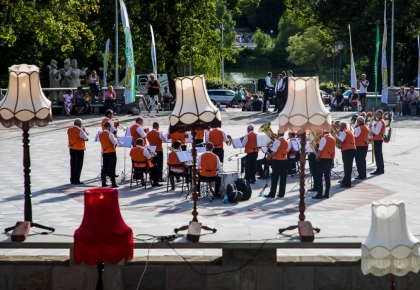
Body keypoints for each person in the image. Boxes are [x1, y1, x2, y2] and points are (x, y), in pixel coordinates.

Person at [264, 131, 289, 198]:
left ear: (278, 134)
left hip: (277, 161)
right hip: (284, 161)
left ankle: (272, 194)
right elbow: (287, 150)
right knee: (283, 178)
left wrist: (269, 154)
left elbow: (273, 153)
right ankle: (281, 193)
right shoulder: (286, 141)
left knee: (274, 178)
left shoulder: (277, 141)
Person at [312, 131, 336, 199]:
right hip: (330, 158)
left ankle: (319, 193)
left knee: (319, 176)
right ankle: (326, 194)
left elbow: (320, 150)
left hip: (323, 159)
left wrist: (316, 157)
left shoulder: (324, 139)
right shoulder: (333, 138)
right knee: (327, 176)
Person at [67, 118, 88, 184]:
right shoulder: (80, 130)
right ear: (80, 124)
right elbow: (86, 138)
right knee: (78, 165)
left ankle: (72, 179)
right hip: (79, 149)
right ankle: (76, 180)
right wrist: (84, 131)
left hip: (71, 148)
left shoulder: (69, 129)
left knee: (72, 164)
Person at [334, 122, 356, 187]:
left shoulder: (344, 132)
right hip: (351, 149)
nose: (339, 128)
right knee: (348, 167)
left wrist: (334, 137)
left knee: (347, 167)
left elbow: (340, 141)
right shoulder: (348, 131)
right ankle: (345, 180)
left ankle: (347, 182)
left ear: (342, 127)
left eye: (339, 126)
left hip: (347, 150)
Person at [99, 122, 119, 188]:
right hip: (111, 152)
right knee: (112, 168)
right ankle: (113, 183)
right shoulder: (110, 134)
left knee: (104, 167)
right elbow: (115, 142)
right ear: (108, 127)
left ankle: (103, 182)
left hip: (104, 152)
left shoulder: (100, 134)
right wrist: (115, 138)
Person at [369, 110, 386, 175]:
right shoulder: (381, 121)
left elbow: (376, 132)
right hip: (378, 139)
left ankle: (379, 169)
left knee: (378, 155)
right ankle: (380, 168)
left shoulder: (380, 122)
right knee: (379, 155)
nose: (377, 116)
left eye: (378, 114)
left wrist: (372, 127)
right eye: (376, 114)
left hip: (378, 139)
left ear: (381, 114)